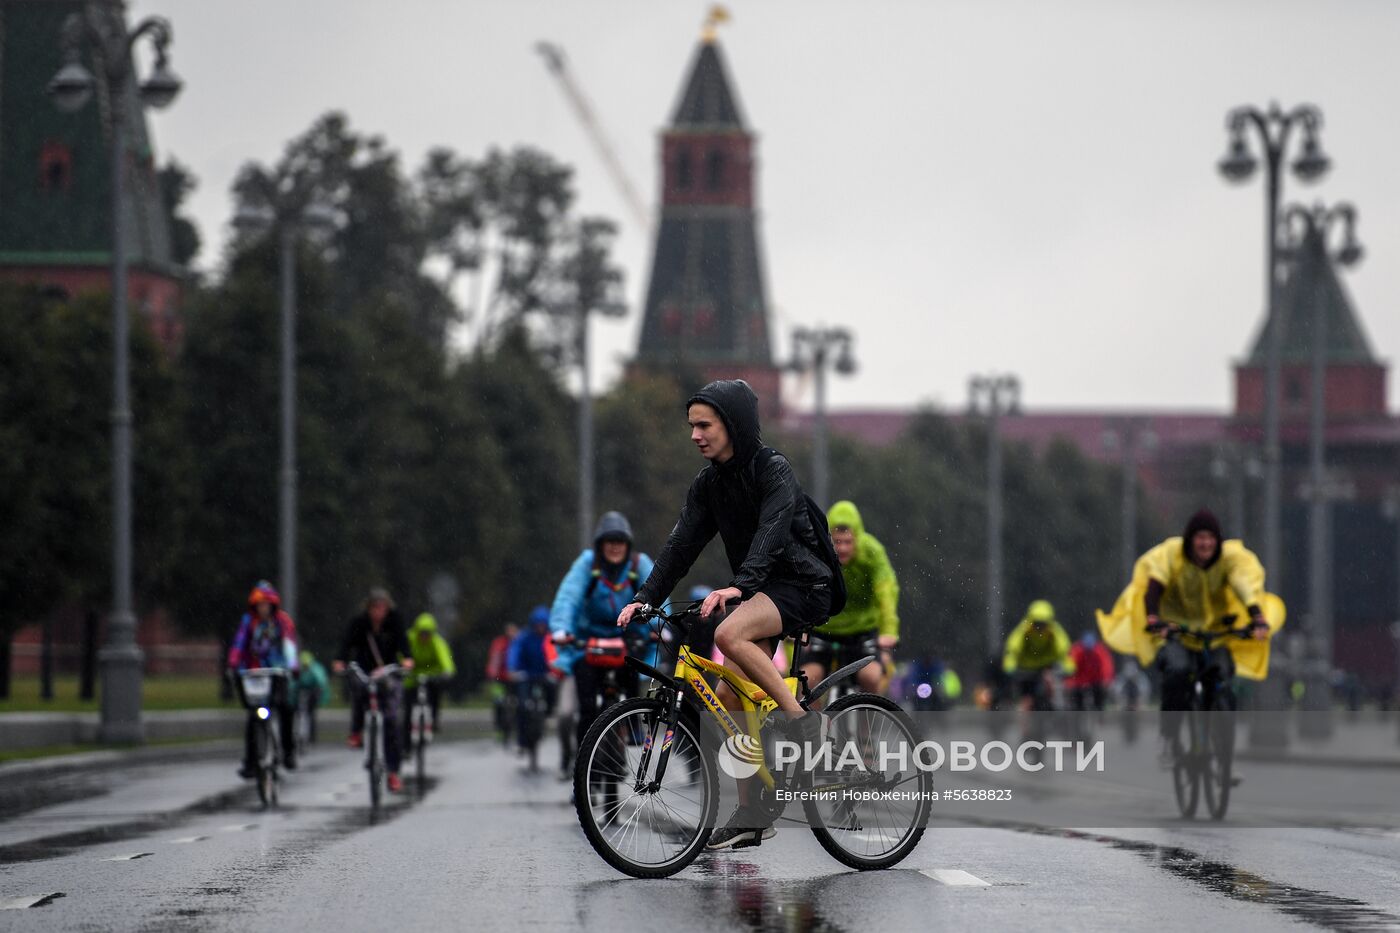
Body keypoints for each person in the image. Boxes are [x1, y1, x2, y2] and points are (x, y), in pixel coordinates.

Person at [617, 379, 838, 850]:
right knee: (727, 699)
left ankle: (802, 721)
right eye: (691, 426)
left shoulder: (772, 468)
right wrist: (645, 596)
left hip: (803, 584)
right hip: (761, 588)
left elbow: (773, 535)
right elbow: (681, 546)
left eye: (705, 424)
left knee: (730, 631)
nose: (695, 434)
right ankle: (753, 812)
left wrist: (740, 585)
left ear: (732, 424)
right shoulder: (709, 485)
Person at [1097, 509, 1284, 764]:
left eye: (1210, 538)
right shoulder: (1172, 555)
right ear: (1189, 540)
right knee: (1177, 673)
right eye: (1200, 537)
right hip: (1177, 634)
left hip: (1214, 635)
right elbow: (1154, 587)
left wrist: (1257, 617)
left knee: (1223, 684)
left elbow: (1244, 586)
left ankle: (1223, 752)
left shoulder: (1230, 560)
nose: (1205, 543)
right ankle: (1169, 736)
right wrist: (1153, 618)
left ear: (1218, 541)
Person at [548, 511, 657, 749]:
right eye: (609, 542)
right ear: (600, 545)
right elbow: (569, 597)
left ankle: (631, 720)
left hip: (627, 638)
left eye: (620, 542)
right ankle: (583, 760)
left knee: (633, 669)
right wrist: (561, 628)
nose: (615, 547)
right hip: (588, 643)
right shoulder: (587, 564)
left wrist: (661, 626)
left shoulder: (639, 564)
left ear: (628, 545)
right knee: (586, 708)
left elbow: (658, 595)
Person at [801, 500, 900, 702]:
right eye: (837, 542)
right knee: (806, 683)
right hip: (823, 629)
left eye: (848, 542)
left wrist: (889, 630)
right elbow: (803, 588)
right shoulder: (817, 550)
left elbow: (886, 591)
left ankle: (866, 733)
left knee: (871, 679)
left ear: (858, 538)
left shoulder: (872, 551)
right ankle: (813, 730)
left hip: (861, 632)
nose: (843, 549)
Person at [332, 587, 413, 793]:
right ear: (368, 608)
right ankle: (356, 731)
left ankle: (393, 772)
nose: (379, 612)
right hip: (365, 669)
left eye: (382, 607)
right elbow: (345, 643)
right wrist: (340, 661)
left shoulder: (395, 621)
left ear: (388, 608)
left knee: (391, 720)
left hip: (388, 671)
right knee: (359, 692)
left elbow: (403, 644)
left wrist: (407, 659)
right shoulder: (359, 623)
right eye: (375, 607)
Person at [227, 581, 300, 777]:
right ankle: (251, 761)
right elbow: (239, 644)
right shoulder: (248, 622)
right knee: (254, 716)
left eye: (266, 604)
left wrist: (293, 666)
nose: (263, 608)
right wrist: (233, 663)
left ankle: (288, 752)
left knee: (286, 708)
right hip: (254, 673)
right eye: (260, 605)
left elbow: (289, 644)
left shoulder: (282, 621)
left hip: (277, 672)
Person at [1001, 600, 1075, 712]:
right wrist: (1010, 666)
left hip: (1046, 666)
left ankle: (1054, 709)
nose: (1039, 628)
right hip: (1027, 668)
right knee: (1026, 700)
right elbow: (1013, 649)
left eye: (1043, 624)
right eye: (1036, 624)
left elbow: (1063, 650)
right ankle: (1025, 725)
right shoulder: (1024, 629)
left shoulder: (1053, 631)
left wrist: (1068, 666)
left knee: (1052, 688)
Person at [508, 606, 559, 763]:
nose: (540, 628)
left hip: (544, 675)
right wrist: (513, 669)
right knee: (522, 706)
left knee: (552, 690)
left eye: (543, 625)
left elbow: (555, 654)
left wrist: (555, 669)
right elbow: (514, 653)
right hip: (526, 675)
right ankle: (521, 740)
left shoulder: (550, 638)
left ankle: (549, 713)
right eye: (538, 625)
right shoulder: (524, 637)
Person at [403, 612, 456, 736]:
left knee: (435, 694)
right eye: (422, 633)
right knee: (408, 707)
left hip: (432, 675)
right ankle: (406, 741)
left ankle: (434, 719)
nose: (424, 637)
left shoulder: (437, 642)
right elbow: (401, 654)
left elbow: (445, 658)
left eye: (427, 634)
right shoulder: (409, 639)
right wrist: (402, 667)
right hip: (412, 675)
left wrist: (447, 671)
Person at [486, 622, 520, 746]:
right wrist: (492, 674)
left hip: (515, 679)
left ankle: (516, 729)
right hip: (499, 679)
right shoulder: (499, 643)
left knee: (518, 703)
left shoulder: (519, 643)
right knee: (498, 703)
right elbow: (494, 661)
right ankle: (499, 729)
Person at [1066, 631, 1115, 713]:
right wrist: (1069, 682)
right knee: (1076, 701)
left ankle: (1099, 716)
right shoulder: (1077, 650)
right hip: (1079, 681)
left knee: (1100, 698)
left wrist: (1107, 680)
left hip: (1096, 680)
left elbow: (1106, 666)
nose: (1088, 652)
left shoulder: (1100, 650)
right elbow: (1070, 666)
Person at [293, 649, 330, 744]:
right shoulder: (298, 669)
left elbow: (321, 683)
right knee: (298, 712)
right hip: (301, 692)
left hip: (313, 692)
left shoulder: (316, 669)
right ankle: (298, 735)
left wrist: (318, 695)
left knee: (311, 713)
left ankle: (311, 737)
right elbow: (294, 683)